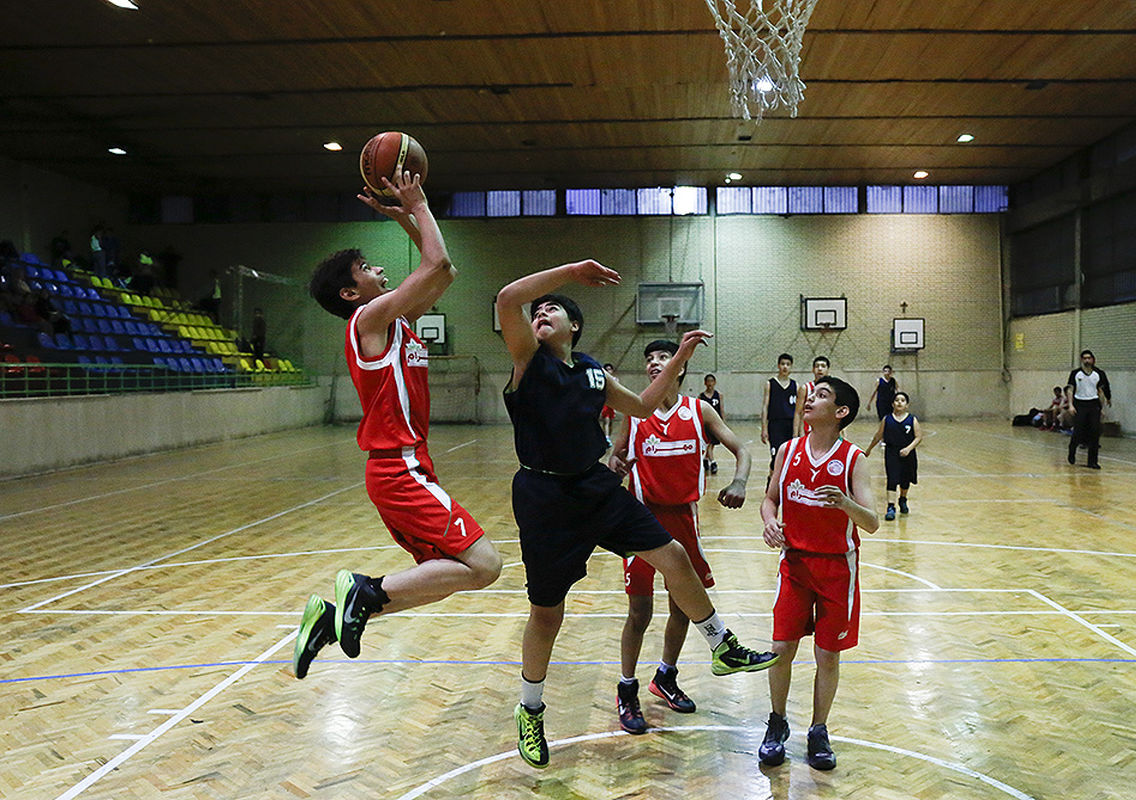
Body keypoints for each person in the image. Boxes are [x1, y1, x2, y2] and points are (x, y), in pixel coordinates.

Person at [495, 262, 778, 769]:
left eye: (553, 308)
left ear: (574, 327)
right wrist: (571, 274)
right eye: (538, 310)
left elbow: (645, 408)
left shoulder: (593, 372)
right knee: (547, 612)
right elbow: (508, 295)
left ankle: (721, 644)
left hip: (595, 486)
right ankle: (530, 709)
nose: (541, 310)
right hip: (544, 497)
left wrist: (681, 358)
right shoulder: (528, 360)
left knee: (673, 556)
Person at [292, 170, 502, 681]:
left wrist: (408, 216)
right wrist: (419, 204)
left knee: (445, 578)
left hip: (406, 467)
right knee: (486, 566)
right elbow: (438, 262)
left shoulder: (397, 323)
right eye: (366, 267)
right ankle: (364, 589)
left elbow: (444, 273)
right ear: (349, 293)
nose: (379, 269)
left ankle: (329, 620)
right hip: (398, 467)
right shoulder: (367, 323)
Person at [607, 340, 752, 733]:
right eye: (649, 359)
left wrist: (739, 481)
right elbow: (615, 458)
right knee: (639, 613)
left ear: (680, 368)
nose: (654, 364)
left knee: (682, 608)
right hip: (641, 522)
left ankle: (666, 676)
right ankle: (626, 688)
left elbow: (742, 449)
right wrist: (616, 464)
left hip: (684, 521)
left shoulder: (699, 410)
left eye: (662, 358)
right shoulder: (635, 412)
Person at [758, 376, 879, 770]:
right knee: (780, 650)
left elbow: (873, 522)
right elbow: (770, 499)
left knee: (827, 655)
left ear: (840, 412)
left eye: (822, 395)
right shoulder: (789, 450)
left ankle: (818, 730)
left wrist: (845, 503)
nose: (810, 398)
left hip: (836, 570)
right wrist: (769, 521)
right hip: (795, 565)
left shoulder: (853, 459)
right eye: (813, 393)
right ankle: (777, 723)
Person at [864, 391, 922, 521]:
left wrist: (908, 448)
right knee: (892, 479)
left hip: (908, 454)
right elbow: (878, 436)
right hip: (891, 453)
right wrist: (868, 450)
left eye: (902, 400)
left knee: (905, 479)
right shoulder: (887, 419)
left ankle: (903, 499)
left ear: (907, 405)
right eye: (897, 400)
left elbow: (918, 437)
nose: (899, 402)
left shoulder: (912, 419)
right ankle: (891, 507)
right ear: (892, 404)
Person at [1065, 350, 1111, 469]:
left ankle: (1092, 461)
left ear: (1093, 359)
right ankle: (1072, 449)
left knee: (1094, 433)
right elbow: (1070, 389)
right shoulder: (1075, 373)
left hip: (1093, 404)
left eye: (1089, 358)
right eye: (1084, 358)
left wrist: (1101, 407)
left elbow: (1100, 392)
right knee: (1079, 431)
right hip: (1080, 404)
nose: (1087, 360)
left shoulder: (1098, 374)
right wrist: (1070, 405)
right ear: (1081, 360)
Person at [761, 354, 797, 482]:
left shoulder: (795, 385)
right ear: (778, 365)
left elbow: (798, 411)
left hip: (790, 424)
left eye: (788, 364)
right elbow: (765, 406)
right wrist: (764, 429)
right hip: (775, 425)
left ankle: (784, 484)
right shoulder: (770, 384)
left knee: (788, 456)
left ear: (791, 367)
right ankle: (771, 480)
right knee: (775, 456)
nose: (785, 367)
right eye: (783, 364)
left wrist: (797, 431)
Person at [792, 356, 831, 438]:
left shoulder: (833, 389)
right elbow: (798, 412)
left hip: (827, 433)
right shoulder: (805, 388)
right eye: (817, 366)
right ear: (813, 369)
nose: (820, 369)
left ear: (828, 369)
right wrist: (795, 435)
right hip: (807, 433)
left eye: (823, 366)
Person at [698, 372, 723, 474]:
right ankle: (713, 463)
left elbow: (721, 409)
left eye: (712, 381)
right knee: (708, 443)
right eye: (708, 381)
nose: (710, 383)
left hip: (716, 423)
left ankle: (705, 460)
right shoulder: (701, 396)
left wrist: (723, 423)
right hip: (705, 424)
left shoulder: (719, 395)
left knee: (712, 444)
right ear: (705, 383)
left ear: (715, 382)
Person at [599, 362, 617, 444]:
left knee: (611, 422)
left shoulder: (615, 380)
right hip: (606, 402)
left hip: (613, 403)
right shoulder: (603, 379)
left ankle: (607, 436)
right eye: (607, 369)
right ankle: (606, 437)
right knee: (606, 420)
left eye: (610, 369)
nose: (609, 371)